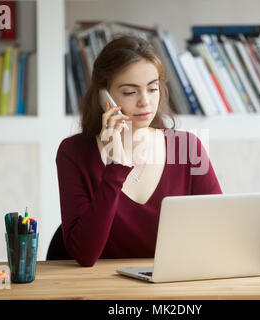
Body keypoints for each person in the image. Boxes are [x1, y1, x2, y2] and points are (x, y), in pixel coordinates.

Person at [56, 34, 222, 267]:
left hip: (173, 288)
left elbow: (220, 233)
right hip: (102, 290)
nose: (145, 102)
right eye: (130, 92)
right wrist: (117, 166)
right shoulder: (74, 153)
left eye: (152, 89)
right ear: (105, 96)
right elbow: (85, 254)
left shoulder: (186, 148)